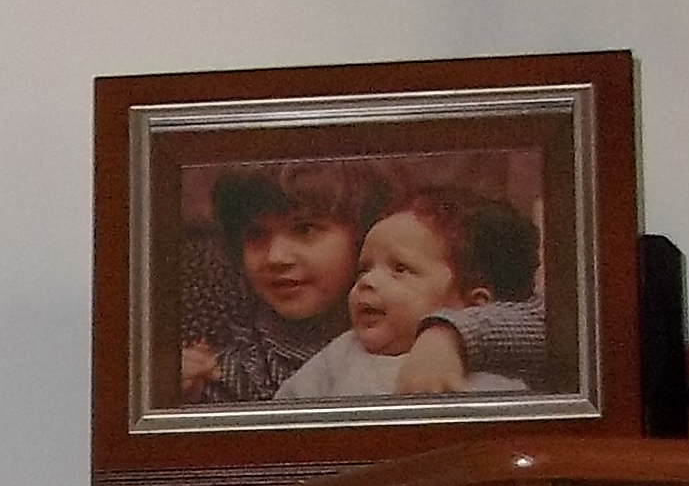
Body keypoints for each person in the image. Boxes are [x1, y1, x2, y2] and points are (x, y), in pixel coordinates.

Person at [287, 186, 540, 400]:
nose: (367, 281)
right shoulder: (342, 352)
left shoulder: (492, 373)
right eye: (364, 269)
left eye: (400, 268)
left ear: (475, 307)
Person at [182, 159, 383, 399]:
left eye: (305, 229)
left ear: (362, 236)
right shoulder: (229, 372)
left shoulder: (415, 325)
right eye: (256, 235)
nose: (275, 257)